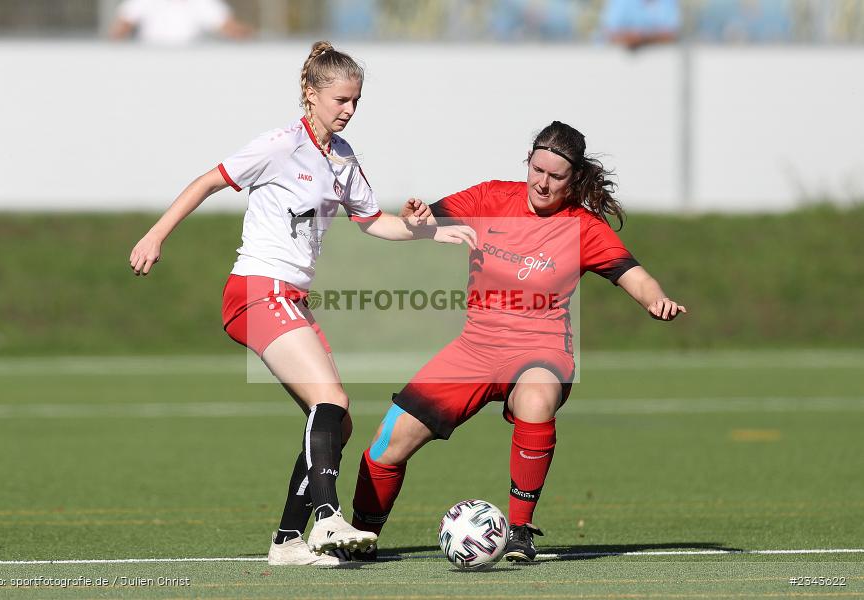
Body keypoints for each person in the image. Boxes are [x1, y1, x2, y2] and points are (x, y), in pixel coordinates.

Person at [128, 41, 476, 566]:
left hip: (289, 297)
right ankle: (329, 517)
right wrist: (156, 235)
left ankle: (288, 541)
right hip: (257, 288)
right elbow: (207, 181)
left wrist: (428, 232)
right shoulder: (279, 145)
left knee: (339, 420)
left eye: (356, 100)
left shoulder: (342, 157)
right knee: (330, 402)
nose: (350, 110)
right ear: (310, 94)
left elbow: (372, 221)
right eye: (340, 99)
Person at [350, 121, 687, 562]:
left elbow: (633, 274)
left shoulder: (583, 227)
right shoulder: (490, 198)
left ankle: (520, 531)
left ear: (575, 178)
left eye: (557, 177)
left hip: (541, 349)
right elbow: (423, 221)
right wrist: (416, 218)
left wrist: (656, 299)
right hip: (476, 348)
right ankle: (358, 538)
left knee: (536, 398)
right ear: (527, 162)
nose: (543, 183)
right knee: (387, 443)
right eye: (537, 169)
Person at [110, 0, 254, 45]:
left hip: (190, 63)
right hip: (151, 60)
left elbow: (229, 27)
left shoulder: (203, 2)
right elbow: (121, 27)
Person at [600, 0, 681, 50]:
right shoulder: (622, 2)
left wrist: (642, 38)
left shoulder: (668, 2)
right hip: (619, 63)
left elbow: (671, 34)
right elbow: (610, 34)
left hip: (658, 63)